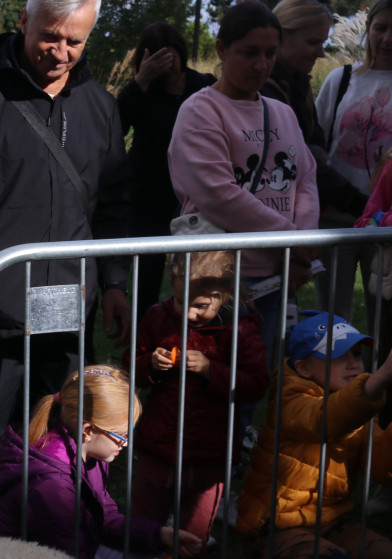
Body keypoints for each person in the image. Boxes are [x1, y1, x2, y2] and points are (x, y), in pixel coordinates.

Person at [0, 0, 132, 519]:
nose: (60, 52)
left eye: (74, 42)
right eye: (50, 37)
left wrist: (116, 283)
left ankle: (50, 543)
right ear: (24, 23)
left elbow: (115, 204)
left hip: (67, 313)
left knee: (58, 438)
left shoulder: (100, 106)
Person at [168, 1, 319, 372]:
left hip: (279, 270)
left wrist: (301, 243)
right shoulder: (201, 110)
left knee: (257, 378)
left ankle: (246, 433)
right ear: (222, 50)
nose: (261, 65)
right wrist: (293, 240)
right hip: (219, 276)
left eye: (270, 53)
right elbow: (218, 193)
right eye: (249, 52)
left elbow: (306, 178)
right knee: (210, 381)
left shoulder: (281, 111)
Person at [129, 251, 269, 559]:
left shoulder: (240, 329)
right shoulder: (158, 317)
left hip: (210, 454)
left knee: (193, 537)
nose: (188, 313)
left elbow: (255, 384)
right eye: (180, 301)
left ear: (223, 297)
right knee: (141, 526)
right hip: (158, 447)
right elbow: (132, 364)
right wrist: (150, 364)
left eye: (202, 305)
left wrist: (212, 370)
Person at [0, 366, 201, 559]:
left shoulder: (90, 454)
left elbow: (104, 519)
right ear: (88, 430)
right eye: (122, 435)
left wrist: (160, 535)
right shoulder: (53, 488)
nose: (126, 444)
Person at [236, 312, 392, 559]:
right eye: (340, 356)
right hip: (276, 525)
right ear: (304, 368)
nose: (354, 364)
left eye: (357, 355)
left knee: (384, 557)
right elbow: (324, 421)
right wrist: (380, 378)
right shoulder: (290, 398)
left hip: (330, 522)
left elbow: (379, 469)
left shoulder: (360, 408)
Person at [116, 22, 215, 321]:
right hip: (148, 194)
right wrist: (141, 81)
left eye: (172, 59)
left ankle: (193, 335)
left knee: (198, 270)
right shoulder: (142, 91)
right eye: (160, 61)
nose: (168, 69)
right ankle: (141, 337)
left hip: (194, 193)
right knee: (147, 271)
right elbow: (114, 129)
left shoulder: (204, 85)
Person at [315, 0, 392, 322]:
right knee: (333, 318)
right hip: (337, 221)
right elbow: (316, 147)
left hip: (387, 225)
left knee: (385, 319)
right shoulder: (340, 79)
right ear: (368, 30)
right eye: (380, 28)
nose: (387, 39)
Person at [264, 0, 368, 220]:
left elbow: (315, 151)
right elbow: (303, 158)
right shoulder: (263, 91)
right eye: (313, 42)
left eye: (322, 43)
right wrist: (363, 207)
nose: (321, 53)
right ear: (280, 36)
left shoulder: (297, 85)